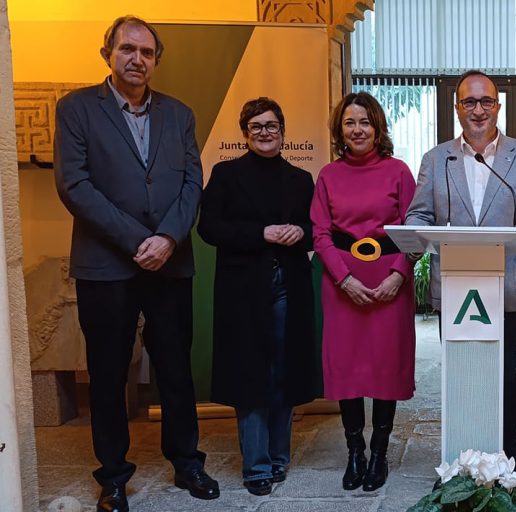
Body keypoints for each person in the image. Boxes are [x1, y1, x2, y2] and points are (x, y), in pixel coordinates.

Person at [53, 16, 218, 511]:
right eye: (127, 49)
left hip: (170, 262)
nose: (137, 59)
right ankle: (113, 477)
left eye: (146, 52)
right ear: (108, 53)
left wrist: (167, 237)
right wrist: (137, 240)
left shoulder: (179, 114)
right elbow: (74, 185)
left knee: (175, 369)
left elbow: (192, 182)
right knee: (107, 374)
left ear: (156, 60)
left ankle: (187, 462)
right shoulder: (77, 109)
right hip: (106, 265)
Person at [405, 69, 516, 470]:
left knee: (504, 373)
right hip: (455, 287)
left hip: (505, 286)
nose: (478, 110)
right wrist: (416, 235)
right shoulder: (436, 159)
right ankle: (458, 461)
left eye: (486, 101)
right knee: (460, 373)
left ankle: (507, 459)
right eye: (469, 102)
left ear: (498, 106)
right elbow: (419, 214)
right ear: (457, 108)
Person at [197, 97, 317, 496]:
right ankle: (256, 466)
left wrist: (301, 232)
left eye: (271, 126)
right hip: (243, 291)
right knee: (251, 375)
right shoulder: (226, 174)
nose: (265, 132)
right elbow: (208, 228)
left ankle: (279, 457)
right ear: (245, 133)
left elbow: (316, 229)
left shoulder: (301, 178)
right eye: (256, 126)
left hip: (290, 287)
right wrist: (260, 233)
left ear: (283, 131)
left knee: (284, 371)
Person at [312, 91, 417, 492]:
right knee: (348, 367)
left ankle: (379, 454)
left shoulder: (399, 172)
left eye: (365, 122)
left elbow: (415, 230)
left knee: (385, 366)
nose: (357, 130)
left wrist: (398, 275)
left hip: (390, 281)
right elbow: (320, 234)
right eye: (349, 123)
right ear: (340, 130)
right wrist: (343, 279)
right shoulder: (328, 175)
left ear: (378, 128)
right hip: (343, 283)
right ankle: (354, 452)